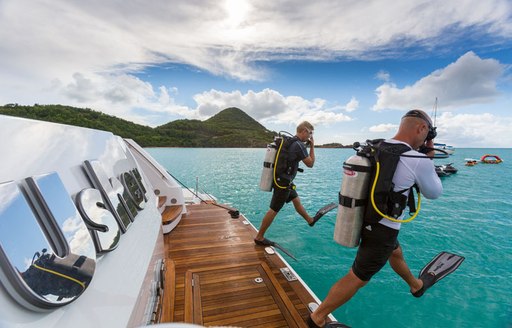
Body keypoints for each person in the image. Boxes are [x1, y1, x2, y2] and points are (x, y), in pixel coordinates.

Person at [308, 109, 443, 328]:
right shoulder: (416, 159)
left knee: (395, 252)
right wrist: (428, 156)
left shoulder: (376, 147)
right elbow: (434, 192)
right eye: (427, 135)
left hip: (364, 218)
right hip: (383, 229)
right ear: (422, 129)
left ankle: (415, 285)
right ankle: (318, 318)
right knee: (358, 277)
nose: (426, 139)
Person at [254, 121, 321, 246]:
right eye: (310, 133)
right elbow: (310, 164)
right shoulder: (299, 145)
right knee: (273, 209)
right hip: (283, 183)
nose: (310, 136)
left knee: (296, 199)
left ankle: (309, 220)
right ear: (304, 131)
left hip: (284, 180)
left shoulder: (291, 142)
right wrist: (312, 146)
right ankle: (259, 237)